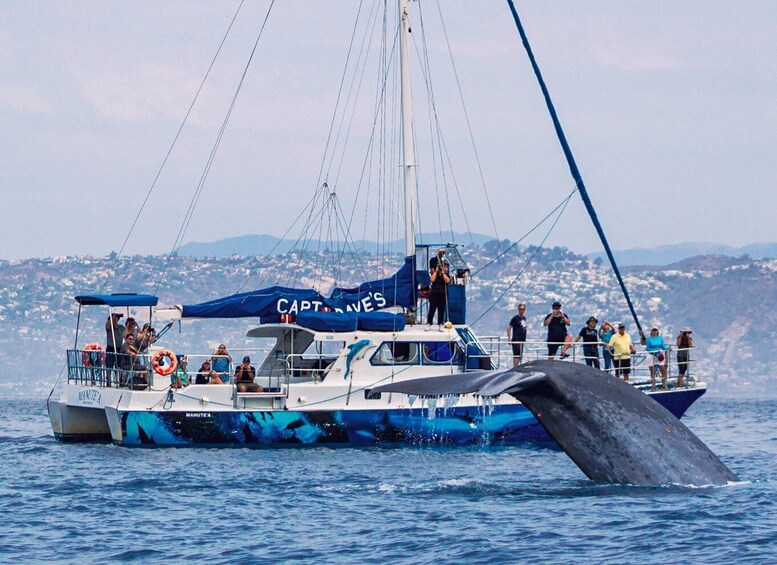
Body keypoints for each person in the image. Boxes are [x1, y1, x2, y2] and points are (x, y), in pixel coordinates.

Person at [426, 258, 451, 328]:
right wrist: (436, 271)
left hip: (442, 295)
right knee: (432, 309)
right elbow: (432, 279)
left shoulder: (446, 275)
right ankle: (429, 323)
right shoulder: (435, 274)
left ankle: (440, 323)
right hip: (434, 294)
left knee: (441, 310)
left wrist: (443, 273)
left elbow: (447, 281)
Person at [645, 326, 670, 391]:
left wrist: (668, 349)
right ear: (651, 331)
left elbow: (663, 347)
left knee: (663, 370)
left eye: (655, 330)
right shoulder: (649, 339)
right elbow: (647, 348)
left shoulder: (660, 338)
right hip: (651, 355)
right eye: (653, 330)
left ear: (657, 331)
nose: (654, 331)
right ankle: (654, 386)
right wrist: (654, 352)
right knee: (652, 371)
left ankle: (664, 385)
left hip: (658, 355)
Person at [105, 313, 125, 379]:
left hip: (119, 348)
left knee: (119, 366)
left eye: (116, 319)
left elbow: (126, 335)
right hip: (110, 348)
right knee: (109, 366)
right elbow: (107, 326)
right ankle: (108, 380)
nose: (114, 320)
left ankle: (119, 380)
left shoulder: (121, 327)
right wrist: (111, 318)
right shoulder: (109, 327)